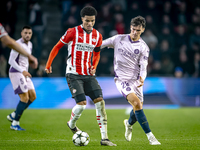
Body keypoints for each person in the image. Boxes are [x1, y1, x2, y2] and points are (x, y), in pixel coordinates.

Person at [45, 6, 116, 146]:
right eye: (87, 20)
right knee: (82, 104)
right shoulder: (72, 32)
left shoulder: (97, 35)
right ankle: (71, 124)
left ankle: (105, 138)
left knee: (100, 102)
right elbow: (57, 46)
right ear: (82, 19)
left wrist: (94, 66)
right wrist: (48, 64)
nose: (90, 23)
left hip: (88, 75)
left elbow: (97, 53)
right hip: (73, 73)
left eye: (92, 21)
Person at [101, 16, 161, 145]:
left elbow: (144, 67)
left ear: (143, 30)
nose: (134, 32)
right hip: (122, 80)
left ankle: (128, 124)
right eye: (133, 29)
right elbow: (100, 44)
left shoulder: (143, 47)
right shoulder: (118, 39)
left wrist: (142, 78)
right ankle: (151, 137)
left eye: (138, 30)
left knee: (137, 107)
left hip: (136, 80)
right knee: (137, 104)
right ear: (130, 27)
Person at [7, 26, 37, 131]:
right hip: (16, 72)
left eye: (29, 33)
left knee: (32, 96)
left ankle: (14, 115)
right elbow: (11, 61)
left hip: (24, 73)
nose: (27, 35)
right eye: (25, 33)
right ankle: (14, 124)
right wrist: (22, 70)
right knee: (24, 98)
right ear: (21, 33)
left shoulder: (30, 44)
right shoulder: (17, 44)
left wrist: (31, 63)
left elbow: (24, 59)